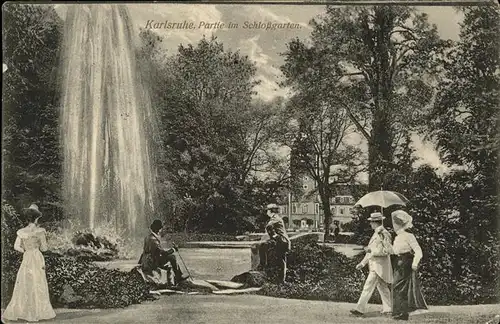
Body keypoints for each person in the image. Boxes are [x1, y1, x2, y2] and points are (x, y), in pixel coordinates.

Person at [2, 204, 56, 322]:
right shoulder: (40, 231)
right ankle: (38, 312)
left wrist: (25, 250)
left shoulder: (21, 231)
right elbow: (44, 248)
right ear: (37, 218)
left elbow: (16, 246)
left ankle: (23, 311)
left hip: (27, 257)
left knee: (25, 282)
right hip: (36, 256)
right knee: (38, 282)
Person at [350, 212, 393, 317]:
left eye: (371, 222)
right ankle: (389, 309)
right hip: (375, 266)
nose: (370, 224)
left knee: (368, 287)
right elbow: (371, 251)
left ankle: (359, 309)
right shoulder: (376, 233)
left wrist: (371, 250)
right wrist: (362, 263)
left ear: (375, 222)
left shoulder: (384, 233)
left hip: (379, 267)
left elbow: (387, 251)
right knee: (382, 287)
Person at [391, 210, 428, 321]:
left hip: (406, 262)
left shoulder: (409, 236)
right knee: (397, 286)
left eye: (394, 224)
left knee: (399, 287)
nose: (393, 226)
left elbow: (418, 251)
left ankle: (402, 313)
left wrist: (415, 263)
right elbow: (394, 251)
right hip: (398, 262)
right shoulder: (397, 237)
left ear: (399, 224)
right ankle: (399, 312)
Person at [138, 219, 189, 285]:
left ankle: (176, 277)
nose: (161, 230)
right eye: (161, 229)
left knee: (170, 259)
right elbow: (163, 253)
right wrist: (173, 249)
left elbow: (145, 251)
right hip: (152, 262)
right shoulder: (153, 240)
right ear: (158, 229)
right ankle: (178, 277)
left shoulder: (148, 237)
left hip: (147, 260)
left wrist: (140, 263)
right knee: (172, 257)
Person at [257, 203, 291, 284]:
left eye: (267, 211)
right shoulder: (276, 217)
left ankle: (262, 266)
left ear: (270, 211)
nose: (266, 212)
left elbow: (268, 226)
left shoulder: (275, 218)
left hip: (281, 241)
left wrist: (274, 236)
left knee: (262, 246)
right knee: (281, 261)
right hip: (283, 241)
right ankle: (281, 280)